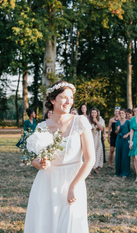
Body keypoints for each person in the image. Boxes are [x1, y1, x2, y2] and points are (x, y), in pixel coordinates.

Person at [24, 81, 95, 233]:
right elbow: (33, 160)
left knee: (69, 226)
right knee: (44, 225)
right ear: (52, 100)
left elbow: (90, 159)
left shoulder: (80, 122)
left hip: (72, 182)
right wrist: (39, 163)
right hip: (46, 183)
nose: (69, 101)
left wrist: (73, 186)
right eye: (63, 97)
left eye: (71, 97)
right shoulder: (41, 127)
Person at [115, 108, 131, 177]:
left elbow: (131, 131)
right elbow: (116, 132)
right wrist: (117, 130)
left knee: (125, 155)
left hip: (126, 139)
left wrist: (127, 134)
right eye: (120, 113)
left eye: (122, 113)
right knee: (118, 155)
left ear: (125, 114)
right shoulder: (117, 122)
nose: (121, 114)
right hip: (119, 139)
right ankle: (118, 172)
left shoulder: (128, 122)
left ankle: (125, 172)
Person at [89, 108, 105, 174]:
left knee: (97, 153)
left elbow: (101, 129)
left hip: (98, 139)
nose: (93, 114)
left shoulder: (100, 119)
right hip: (90, 138)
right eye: (92, 113)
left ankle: (96, 168)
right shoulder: (88, 120)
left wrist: (96, 122)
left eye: (95, 113)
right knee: (90, 154)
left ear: (97, 113)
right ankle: (89, 169)